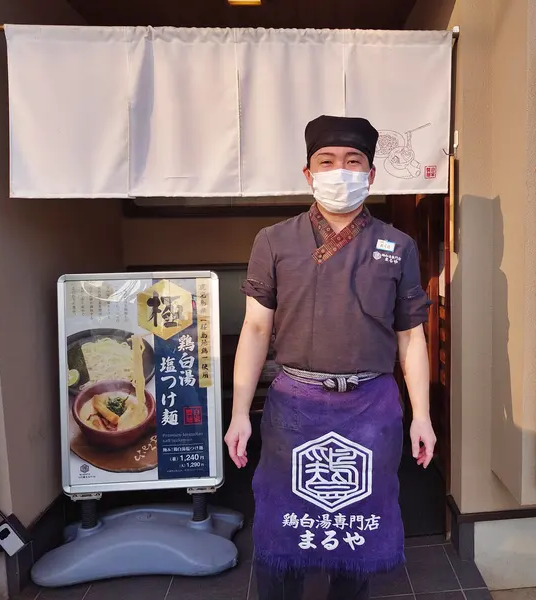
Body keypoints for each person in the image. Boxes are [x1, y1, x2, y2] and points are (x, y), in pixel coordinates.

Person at [224, 115, 436, 600]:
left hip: (371, 406)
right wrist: (239, 414)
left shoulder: (398, 245)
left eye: (352, 161)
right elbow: (257, 329)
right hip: (295, 406)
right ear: (308, 174)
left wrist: (420, 416)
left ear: (372, 174)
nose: (340, 171)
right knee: (284, 531)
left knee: (356, 535)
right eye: (327, 161)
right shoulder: (274, 241)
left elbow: (411, 337)